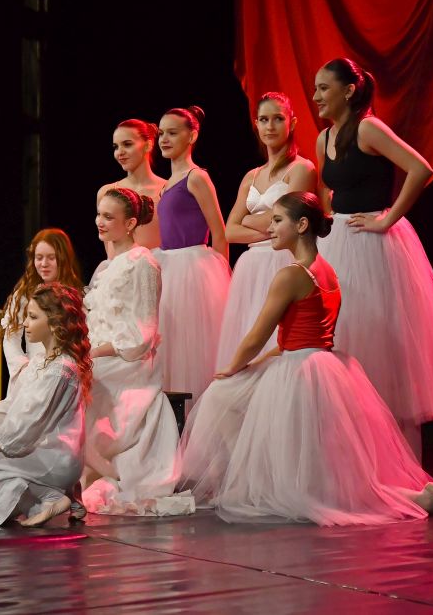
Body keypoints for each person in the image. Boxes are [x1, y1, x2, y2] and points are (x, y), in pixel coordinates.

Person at [177, 191, 433, 525]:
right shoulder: (326, 270)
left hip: (298, 369)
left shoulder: (291, 275)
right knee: (323, 477)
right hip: (320, 363)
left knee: (220, 396)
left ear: (302, 225)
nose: (269, 228)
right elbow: (296, 337)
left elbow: (257, 335)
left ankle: (250, 479)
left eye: (277, 220)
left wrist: (232, 367)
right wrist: (256, 365)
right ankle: (412, 495)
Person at [313, 58, 433, 458]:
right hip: (339, 241)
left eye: (323, 88)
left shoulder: (368, 128)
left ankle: (393, 456)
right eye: (315, 88)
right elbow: (330, 190)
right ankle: (351, 453)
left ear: (348, 91)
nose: (316, 96)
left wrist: (388, 219)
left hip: (372, 246)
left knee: (377, 342)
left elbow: (419, 168)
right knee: (342, 337)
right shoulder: (324, 137)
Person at [80, 188, 190, 516]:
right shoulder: (108, 266)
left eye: (108, 217)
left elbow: (143, 334)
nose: (99, 222)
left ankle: (101, 464)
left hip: (129, 360)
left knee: (79, 380)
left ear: (129, 224)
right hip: (104, 353)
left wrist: (94, 353)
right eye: (99, 214)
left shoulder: (143, 263)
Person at [0, 282, 91, 527]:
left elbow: (28, 420)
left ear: (54, 323)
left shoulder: (61, 369)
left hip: (57, 455)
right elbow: (12, 405)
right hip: (46, 450)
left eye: (33, 317)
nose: (25, 323)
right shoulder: (40, 362)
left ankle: (51, 495)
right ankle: (54, 498)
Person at [217, 92, 316, 367]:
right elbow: (230, 231)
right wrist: (273, 223)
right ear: (256, 124)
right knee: (249, 330)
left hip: (282, 260)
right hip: (251, 265)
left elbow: (289, 219)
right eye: (263, 119)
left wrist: (250, 219)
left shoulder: (302, 169)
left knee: (277, 340)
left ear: (291, 123)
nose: (270, 126)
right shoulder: (252, 176)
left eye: (277, 119)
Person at [153, 106, 231, 400]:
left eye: (172, 133)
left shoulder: (196, 177)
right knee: (170, 340)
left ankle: (197, 408)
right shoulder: (167, 184)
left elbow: (220, 232)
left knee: (192, 341)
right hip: (169, 265)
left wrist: (222, 279)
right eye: (161, 133)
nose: (164, 139)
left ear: (192, 135)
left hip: (193, 268)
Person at [1, 229, 83, 393]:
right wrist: (22, 368)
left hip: (62, 375)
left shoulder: (75, 296)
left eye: (51, 258)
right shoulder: (25, 294)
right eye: (39, 258)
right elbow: (11, 336)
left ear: (63, 258)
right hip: (32, 375)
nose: (44, 264)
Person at [97, 119, 166, 254]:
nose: (120, 152)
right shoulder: (106, 192)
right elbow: (109, 250)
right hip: (118, 266)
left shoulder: (167, 190)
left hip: (157, 266)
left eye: (127, 144)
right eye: (116, 147)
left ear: (148, 145)